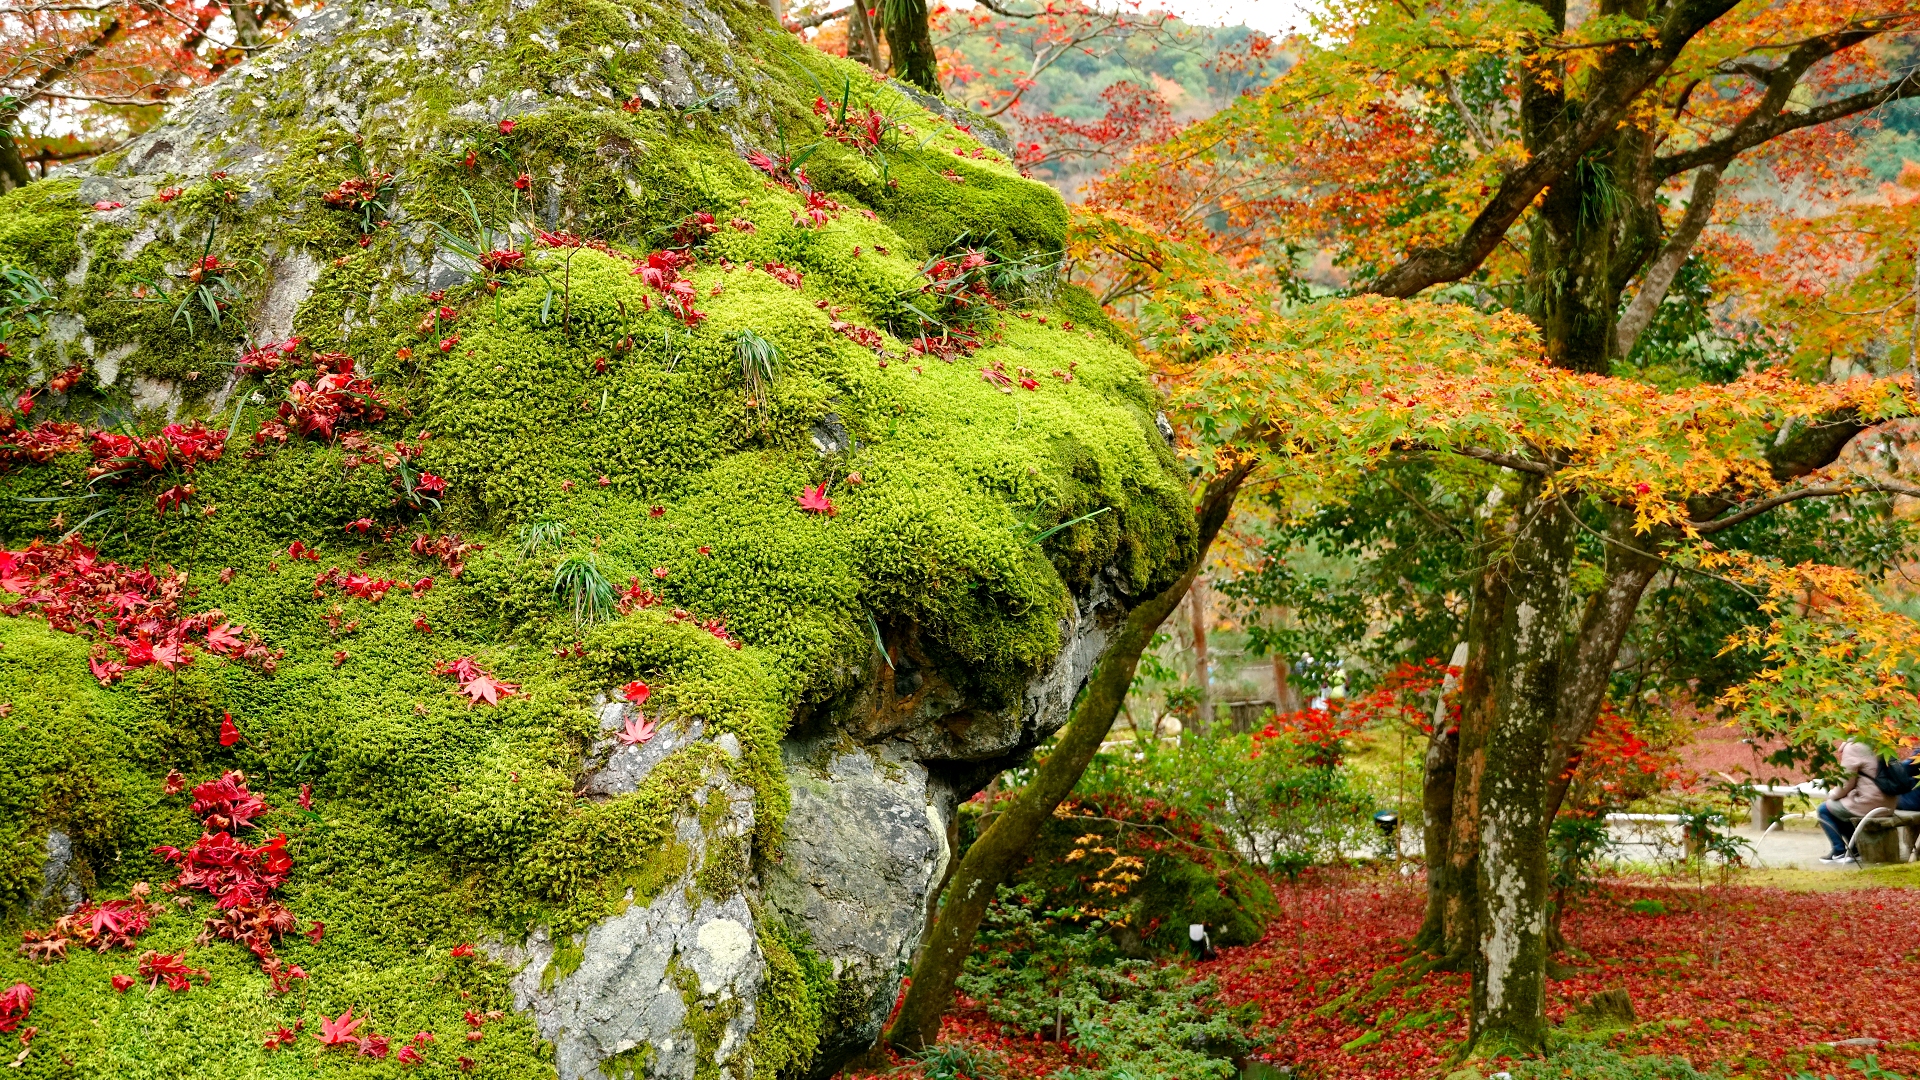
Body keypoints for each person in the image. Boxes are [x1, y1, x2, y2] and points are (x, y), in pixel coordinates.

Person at [1818, 741, 1897, 864]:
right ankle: (1855, 850)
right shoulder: (1882, 740)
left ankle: (1839, 852)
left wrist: (1832, 795)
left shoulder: (1854, 747)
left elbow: (1845, 783)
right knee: (1842, 809)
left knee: (1825, 809)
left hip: (1870, 803)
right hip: (1889, 803)